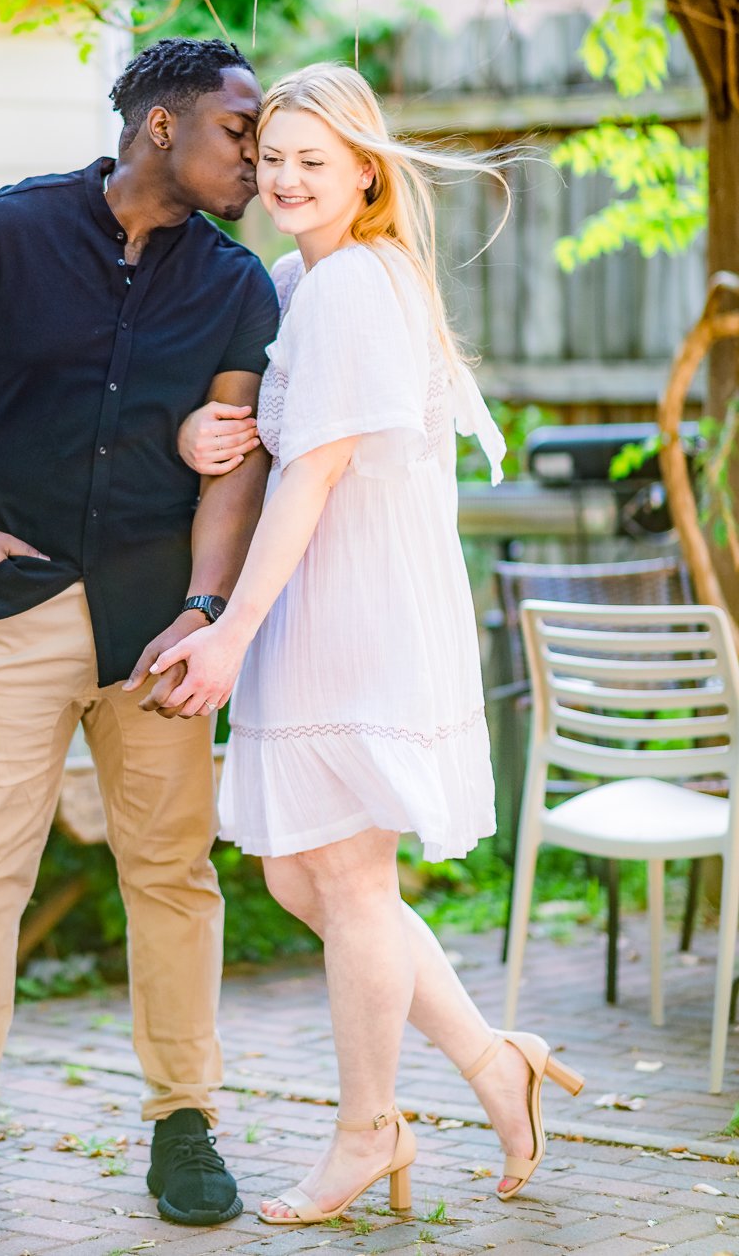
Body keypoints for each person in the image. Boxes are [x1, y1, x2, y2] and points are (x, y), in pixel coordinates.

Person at [153, 63, 585, 1226]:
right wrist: (207, 429)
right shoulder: (308, 279)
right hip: (327, 600)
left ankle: (368, 1130)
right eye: (275, 157)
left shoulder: (351, 289)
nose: (286, 178)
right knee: (307, 873)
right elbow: (261, 432)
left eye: (312, 160)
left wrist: (232, 630)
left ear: (364, 170)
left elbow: (320, 471)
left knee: (346, 879)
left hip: (357, 608)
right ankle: (499, 1068)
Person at [0, 37, 280, 1240]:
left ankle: (184, 1124)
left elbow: (234, 465)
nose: (255, 155)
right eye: (238, 131)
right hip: (10, 611)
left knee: (172, 877)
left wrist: (204, 611)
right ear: (162, 126)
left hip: (154, 626)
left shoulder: (238, 286)